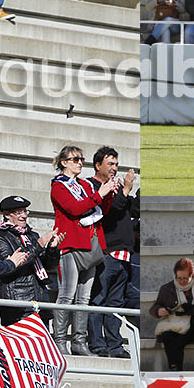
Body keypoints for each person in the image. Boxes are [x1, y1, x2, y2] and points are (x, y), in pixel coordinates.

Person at [50, 145, 115, 356]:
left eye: (81, 159)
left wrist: (108, 194)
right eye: (75, 159)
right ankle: (59, 340)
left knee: (84, 299)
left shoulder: (85, 185)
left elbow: (101, 210)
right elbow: (75, 209)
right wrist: (100, 194)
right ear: (64, 162)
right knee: (67, 295)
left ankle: (79, 342)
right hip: (70, 244)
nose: (79, 163)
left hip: (90, 244)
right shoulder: (58, 186)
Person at [86, 147, 136, 358]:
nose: (115, 168)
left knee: (115, 303)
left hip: (124, 255)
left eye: (116, 164)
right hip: (106, 254)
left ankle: (115, 345)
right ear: (98, 165)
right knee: (98, 300)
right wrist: (124, 191)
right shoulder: (92, 186)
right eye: (110, 164)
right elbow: (110, 212)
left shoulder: (116, 188)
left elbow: (133, 210)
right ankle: (98, 344)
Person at [0, 196, 61, 326]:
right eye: (18, 212)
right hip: (17, 301)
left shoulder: (31, 235)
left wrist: (52, 248)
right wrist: (39, 245)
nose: (24, 216)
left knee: (42, 344)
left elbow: (49, 266)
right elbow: (10, 266)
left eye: (25, 211)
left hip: (40, 298)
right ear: (7, 215)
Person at [151, 258, 194, 371]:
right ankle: (174, 367)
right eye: (179, 278)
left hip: (193, 325)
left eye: (185, 278)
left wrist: (193, 310)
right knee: (167, 336)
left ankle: (176, 369)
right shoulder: (167, 288)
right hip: (172, 323)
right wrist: (159, 311)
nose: (182, 281)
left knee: (178, 341)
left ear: (192, 276)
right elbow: (154, 307)